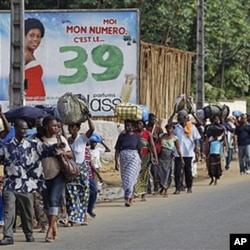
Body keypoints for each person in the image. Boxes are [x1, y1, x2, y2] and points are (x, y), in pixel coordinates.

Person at [0, 119, 66, 245]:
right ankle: (8, 236)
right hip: (11, 183)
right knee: (9, 209)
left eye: (26, 129)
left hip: (26, 184)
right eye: (22, 128)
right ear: (16, 129)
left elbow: (47, 149)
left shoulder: (33, 145)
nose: (24, 131)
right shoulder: (7, 146)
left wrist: (58, 146)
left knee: (27, 211)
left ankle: (28, 233)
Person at [41, 116, 73, 243]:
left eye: (57, 126)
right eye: (53, 125)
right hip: (43, 174)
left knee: (54, 199)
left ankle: (49, 229)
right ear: (46, 126)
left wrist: (62, 153)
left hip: (59, 174)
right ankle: (53, 225)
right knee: (47, 202)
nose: (56, 128)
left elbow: (71, 154)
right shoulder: (38, 140)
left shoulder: (61, 139)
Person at [66, 114, 95, 226]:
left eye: (73, 127)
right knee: (71, 193)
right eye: (69, 127)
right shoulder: (68, 140)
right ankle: (73, 217)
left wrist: (88, 118)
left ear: (77, 128)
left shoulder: (82, 138)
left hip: (81, 170)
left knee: (83, 193)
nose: (70, 129)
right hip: (70, 170)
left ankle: (83, 216)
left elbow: (92, 129)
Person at [115, 120, 142, 207]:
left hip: (134, 157)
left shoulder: (137, 137)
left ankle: (128, 197)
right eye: (126, 126)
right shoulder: (122, 137)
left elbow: (139, 150)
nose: (128, 127)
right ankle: (128, 197)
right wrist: (116, 162)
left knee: (130, 178)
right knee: (125, 179)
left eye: (130, 126)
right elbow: (117, 150)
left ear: (133, 127)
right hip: (124, 158)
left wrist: (140, 161)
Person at [173, 109, 201, 194]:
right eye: (178, 117)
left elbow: (196, 138)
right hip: (178, 154)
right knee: (177, 172)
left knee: (188, 171)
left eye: (180, 116)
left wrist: (196, 148)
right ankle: (177, 188)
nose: (179, 118)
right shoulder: (176, 127)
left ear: (185, 118)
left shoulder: (192, 127)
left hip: (188, 153)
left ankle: (189, 187)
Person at [156, 123, 184, 197]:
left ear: (173, 130)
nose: (169, 130)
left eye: (171, 128)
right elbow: (157, 145)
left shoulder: (175, 138)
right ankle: (162, 186)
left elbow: (178, 148)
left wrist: (181, 158)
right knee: (159, 173)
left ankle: (166, 190)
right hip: (161, 157)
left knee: (167, 173)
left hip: (169, 157)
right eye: (168, 128)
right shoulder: (162, 136)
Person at [133, 120, 158, 201]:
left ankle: (143, 194)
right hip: (136, 156)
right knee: (135, 174)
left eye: (140, 123)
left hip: (146, 156)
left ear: (143, 125)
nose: (138, 125)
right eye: (137, 123)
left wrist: (155, 157)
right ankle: (135, 192)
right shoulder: (133, 133)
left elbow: (152, 146)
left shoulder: (148, 133)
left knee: (145, 175)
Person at [24, 18, 46, 102]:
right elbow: (13, 79)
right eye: (31, 35)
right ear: (24, 35)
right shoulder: (25, 55)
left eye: (38, 36)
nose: (35, 39)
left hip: (36, 102)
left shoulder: (30, 55)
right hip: (29, 103)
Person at [85, 144, 103, 219]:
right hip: (80, 176)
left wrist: (98, 175)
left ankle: (89, 209)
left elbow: (91, 164)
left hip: (89, 175)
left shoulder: (87, 151)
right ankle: (84, 215)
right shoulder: (76, 149)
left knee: (94, 191)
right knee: (84, 194)